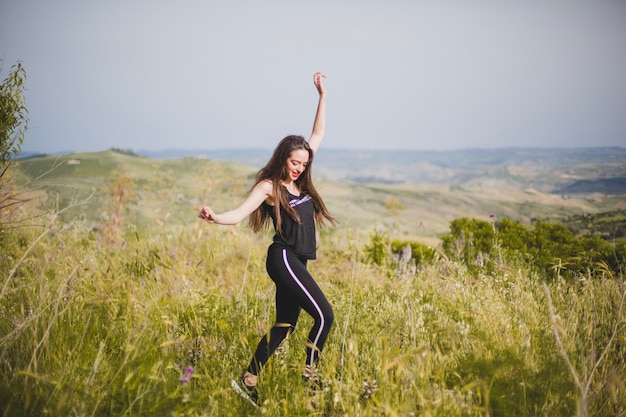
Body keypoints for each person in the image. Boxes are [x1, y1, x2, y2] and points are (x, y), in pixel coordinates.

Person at [199, 72, 336, 407]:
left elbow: (318, 133)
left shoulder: (302, 183)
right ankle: (310, 379)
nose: (299, 168)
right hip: (283, 258)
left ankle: (247, 380)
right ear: (283, 159)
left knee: (285, 325)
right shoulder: (270, 188)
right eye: (294, 162)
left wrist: (322, 95)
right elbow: (238, 213)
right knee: (325, 316)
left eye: (303, 164)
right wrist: (216, 217)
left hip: (297, 260)